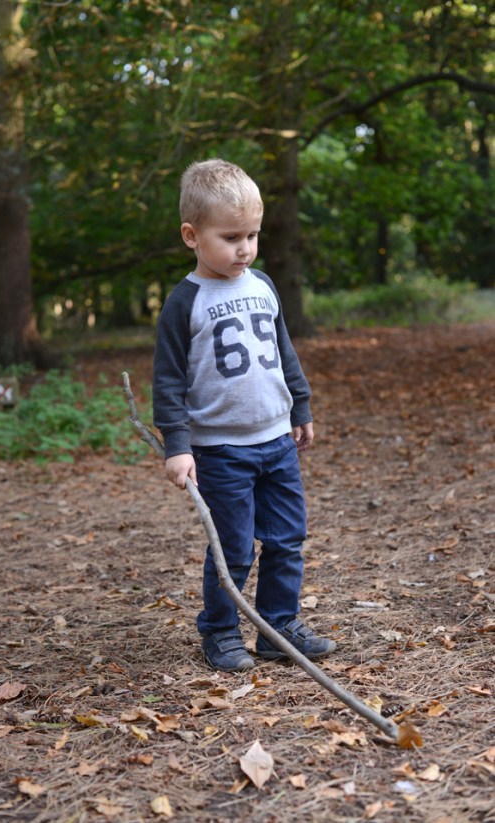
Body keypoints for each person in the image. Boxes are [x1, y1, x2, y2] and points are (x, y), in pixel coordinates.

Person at [152, 158, 336, 672]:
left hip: (277, 440)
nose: (245, 248)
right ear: (192, 235)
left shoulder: (263, 285)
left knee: (286, 538)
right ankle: (220, 630)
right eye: (231, 236)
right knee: (232, 548)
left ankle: (279, 627)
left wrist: (299, 405)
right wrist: (178, 445)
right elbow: (168, 380)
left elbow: (283, 351)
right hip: (221, 448)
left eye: (252, 235)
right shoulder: (184, 303)